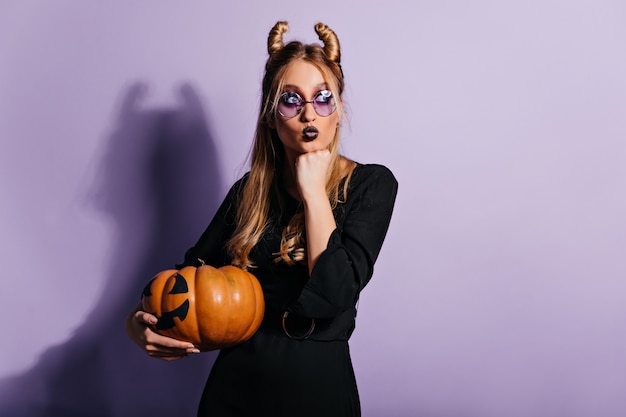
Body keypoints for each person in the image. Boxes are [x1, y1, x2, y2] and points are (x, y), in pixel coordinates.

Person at [126, 20, 398, 417]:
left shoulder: (372, 184)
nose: (309, 114)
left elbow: (334, 293)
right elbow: (188, 280)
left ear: (338, 112)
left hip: (318, 388)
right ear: (271, 117)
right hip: (237, 387)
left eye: (324, 99)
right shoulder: (248, 192)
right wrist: (140, 324)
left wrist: (312, 193)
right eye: (291, 100)